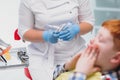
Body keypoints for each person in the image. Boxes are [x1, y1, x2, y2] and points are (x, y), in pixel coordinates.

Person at [18, 0, 94, 80]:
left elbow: (89, 22)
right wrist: (45, 36)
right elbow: (24, 32)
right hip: (43, 57)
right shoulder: (28, 2)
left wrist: (76, 29)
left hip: (76, 51)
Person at [53, 19, 120, 80]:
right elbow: (52, 76)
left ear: (116, 58)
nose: (92, 40)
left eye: (100, 39)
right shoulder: (85, 65)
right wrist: (67, 66)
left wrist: (80, 73)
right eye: (95, 36)